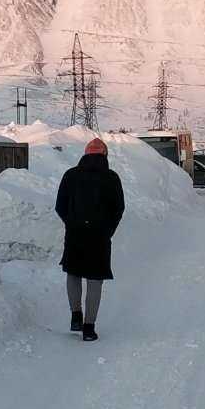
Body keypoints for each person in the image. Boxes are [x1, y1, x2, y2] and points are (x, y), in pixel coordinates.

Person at [54, 137, 126, 341]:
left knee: (73, 273)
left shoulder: (71, 175)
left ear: (85, 154)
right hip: (100, 236)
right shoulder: (112, 177)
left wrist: (71, 222)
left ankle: (75, 315)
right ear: (104, 155)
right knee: (95, 280)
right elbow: (118, 208)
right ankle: (88, 328)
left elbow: (60, 205)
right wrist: (108, 230)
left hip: (75, 233)